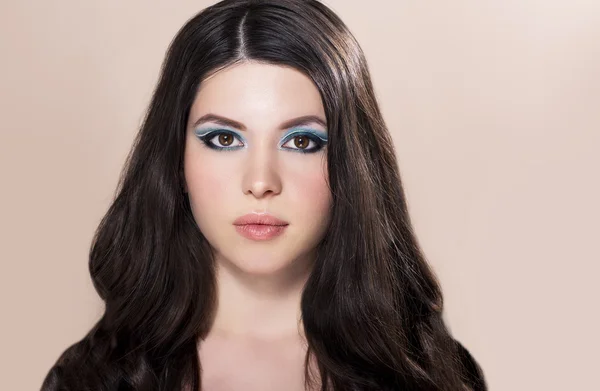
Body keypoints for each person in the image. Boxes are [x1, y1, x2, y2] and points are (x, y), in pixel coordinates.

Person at [41, 0, 487, 390]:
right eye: (222, 139)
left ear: (354, 163)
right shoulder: (94, 378)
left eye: (301, 142)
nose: (260, 181)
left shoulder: (432, 375)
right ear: (174, 158)